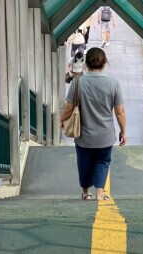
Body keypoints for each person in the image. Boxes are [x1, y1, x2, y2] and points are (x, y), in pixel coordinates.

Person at [59, 48, 126, 201]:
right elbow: (120, 111)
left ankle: (85, 192)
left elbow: (69, 107)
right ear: (104, 63)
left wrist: (60, 120)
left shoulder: (77, 82)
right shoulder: (113, 84)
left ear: (85, 63)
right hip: (105, 135)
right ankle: (100, 193)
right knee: (102, 162)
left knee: (84, 162)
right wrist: (123, 131)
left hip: (83, 134)